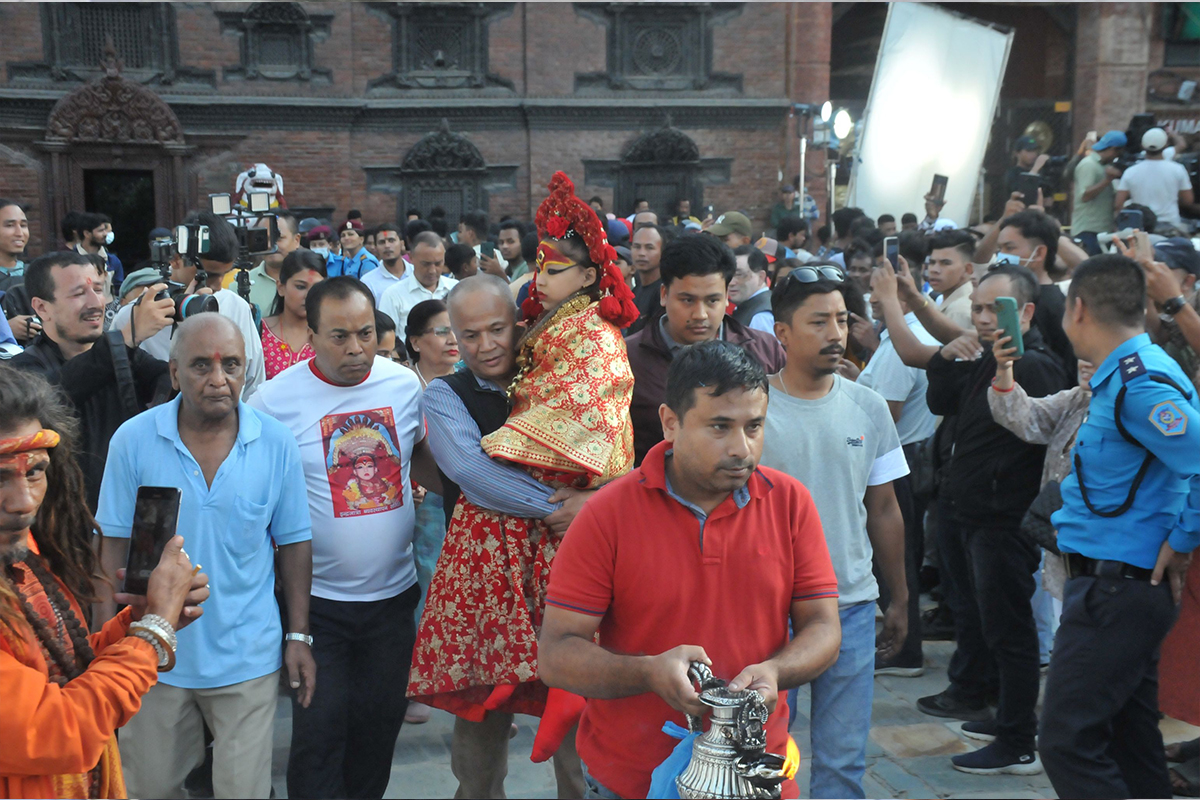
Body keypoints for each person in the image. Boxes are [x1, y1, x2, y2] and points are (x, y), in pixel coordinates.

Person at [410, 172, 639, 798]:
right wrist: (568, 507)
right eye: (469, 336)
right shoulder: (443, 395)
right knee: (483, 736)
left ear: (520, 321)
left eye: (498, 330)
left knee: (575, 717)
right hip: (485, 575)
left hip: (565, 567)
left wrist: (595, 502)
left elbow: (617, 449)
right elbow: (473, 476)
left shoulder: (564, 368)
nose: (486, 346)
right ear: (451, 339)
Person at [538, 339, 842, 800]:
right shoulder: (607, 514)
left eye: (754, 426)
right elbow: (557, 654)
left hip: (757, 773)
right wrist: (648, 673)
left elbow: (823, 627)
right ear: (670, 423)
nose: (742, 448)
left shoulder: (790, 503)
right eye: (720, 427)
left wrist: (776, 672)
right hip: (630, 779)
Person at [95, 314, 315, 800]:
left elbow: (295, 543)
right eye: (201, 366)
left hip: (248, 656)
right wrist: (102, 642)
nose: (219, 379)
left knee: (244, 792)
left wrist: (297, 634)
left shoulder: (275, 443)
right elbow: (110, 547)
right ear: (174, 373)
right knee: (145, 788)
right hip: (153, 656)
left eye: (231, 365)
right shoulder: (133, 440)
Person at [249, 277, 440, 799]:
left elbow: (423, 461)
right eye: (338, 337)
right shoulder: (274, 401)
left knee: (378, 733)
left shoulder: (403, 386)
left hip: (393, 603)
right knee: (318, 736)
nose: (356, 349)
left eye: (364, 334)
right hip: (317, 606)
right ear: (310, 334)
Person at [0, 364, 208, 800]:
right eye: (0, 476)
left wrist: (142, 619)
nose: (22, 503)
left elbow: (69, 673)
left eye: (34, 472)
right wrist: (153, 634)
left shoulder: (25, 555)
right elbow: (58, 729)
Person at [1036, 254, 1199, 798]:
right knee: (1130, 743)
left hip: (1117, 590)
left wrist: (1183, 539)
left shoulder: (1140, 384)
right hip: (1116, 585)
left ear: (1078, 308)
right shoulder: (1131, 375)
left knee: (1066, 740)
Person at [916, 265, 1069, 775]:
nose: (981, 318)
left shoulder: (1038, 366)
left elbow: (1040, 441)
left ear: (1024, 312)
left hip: (1004, 518)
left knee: (1011, 630)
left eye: (993, 308)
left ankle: (1018, 740)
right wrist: (943, 356)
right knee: (984, 622)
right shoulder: (990, 357)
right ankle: (1007, 714)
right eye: (977, 308)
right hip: (969, 509)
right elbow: (945, 403)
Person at [761, 274, 908, 799]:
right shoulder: (754, 411)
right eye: (819, 321)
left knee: (844, 761)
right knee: (761, 754)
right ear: (783, 331)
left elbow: (884, 508)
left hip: (849, 604)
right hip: (769, 610)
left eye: (842, 319)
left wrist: (899, 596)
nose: (835, 333)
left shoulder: (867, 406)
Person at [10, 252, 173, 511]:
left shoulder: (127, 358)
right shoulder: (19, 373)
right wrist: (126, 337)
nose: (96, 302)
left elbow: (172, 383)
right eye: (78, 294)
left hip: (128, 520)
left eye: (98, 289)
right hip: (64, 526)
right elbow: (53, 395)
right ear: (42, 307)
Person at [626, 233, 786, 464]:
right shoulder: (626, 359)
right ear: (664, 295)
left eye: (712, 301)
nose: (700, 315)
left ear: (726, 297)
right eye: (687, 300)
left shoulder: (765, 350)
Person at [859, 266, 940, 678]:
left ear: (903, 299)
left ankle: (902, 650)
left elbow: (884, 415)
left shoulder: (899, 348)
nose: (872, 299)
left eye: (880, 292)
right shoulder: (896, 341)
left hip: (897, 461)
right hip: (909, 457)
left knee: (895, 557)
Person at [110, 211, 266, 397]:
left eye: (225, 274)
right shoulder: (134, 316)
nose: (217, 285)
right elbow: (116, 388)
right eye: (208, 275)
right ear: (175, 260)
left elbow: (253, 384)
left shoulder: (236, 306)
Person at [398, 297, 460, 725]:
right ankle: (422, 683)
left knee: (463, 587)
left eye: (455, 330)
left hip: (464, 498)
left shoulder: (471, 381)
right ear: (416, 342)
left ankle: (468, 693)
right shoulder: (402, 388)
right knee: (425, 587)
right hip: (419, 503)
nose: (452, 339)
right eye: (441, 331)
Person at [1115, 127, 1198, 235]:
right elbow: (1188, 200)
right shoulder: (1178, 169)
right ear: (1166, 145)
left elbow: (1118, 204)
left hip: (1141, 226)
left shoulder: (1130, 172)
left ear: (1142, 146)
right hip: (1170, 224)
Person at [260, 249, 325, 379]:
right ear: (281, 287)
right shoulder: (259, 331)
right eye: (301, 287)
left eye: (317, 288)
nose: (309, 295)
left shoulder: (330, 335)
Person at [379, 231, 457, 336]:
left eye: (438, 263)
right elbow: (385, 338)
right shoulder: (393, 295)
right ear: (411, 258)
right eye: (426, 264)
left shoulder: (456, 289)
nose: (432, 270)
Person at [1072, 130, 1127, 255]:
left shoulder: (1105, 166)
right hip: (1088, 230)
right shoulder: (1089, 165)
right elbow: (1085, 196)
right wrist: (1107, 180)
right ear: (1114, 149)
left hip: (1104, 231)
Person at [245, 212, 301, 314]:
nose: (270, 245)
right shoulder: (241, 285)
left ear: (296, 240)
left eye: (278, 238)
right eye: (264, 239)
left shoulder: (312, 281)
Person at [926, 229, 977, 331]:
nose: (934, 270)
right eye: (932, 262)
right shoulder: (952, 302)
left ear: (967, 269)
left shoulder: (958, 311)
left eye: (945, 263)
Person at [0, 199, 34, 343]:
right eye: (10, 225)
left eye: (23, 225)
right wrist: (5, 329)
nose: (20, 233)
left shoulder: (37, 274)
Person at [627, 223, 670, 333]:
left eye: (649, 247)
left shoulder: (664, 293)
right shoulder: (636, 290)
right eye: (637, 247)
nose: (641, 253)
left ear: (662, 252)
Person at [360, 222, 410, 303]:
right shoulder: (368, 282)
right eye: (382, 242)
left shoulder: (416, 273)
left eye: (391, 240)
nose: (387, 245)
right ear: (376, 247)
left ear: (402, 244)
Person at [730, 244, 774, 333]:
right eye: (728, 275)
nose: (731, 283)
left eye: (739, 275)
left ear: (761, 277)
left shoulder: (761, 317)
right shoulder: (750, 307)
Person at [459, 210, 507, 277]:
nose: (458, 235)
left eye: (460, 231)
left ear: (470, 233)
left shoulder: (466, 259)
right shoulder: (499, 254)